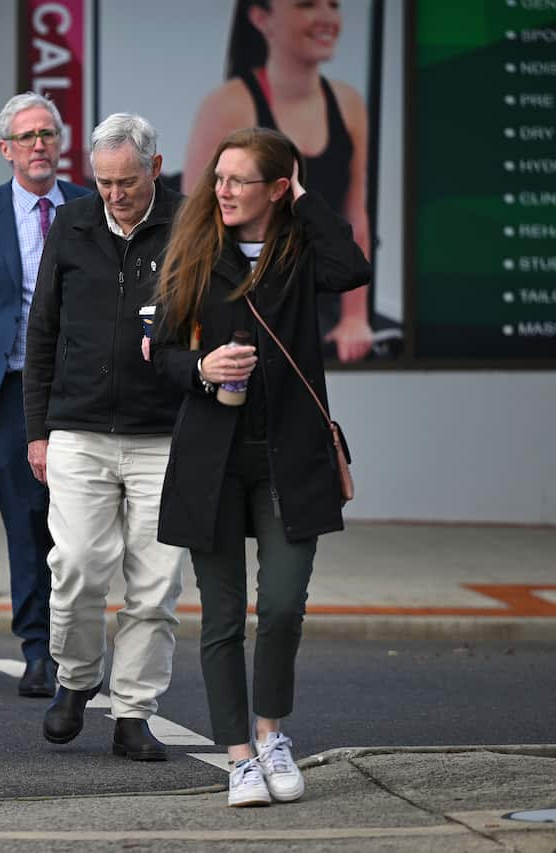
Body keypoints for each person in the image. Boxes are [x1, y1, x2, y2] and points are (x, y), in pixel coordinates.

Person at [152, 127, 370, 807]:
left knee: (280, 605)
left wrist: (303, 197)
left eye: (240, 180)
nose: (221, 190)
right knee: (220, 616)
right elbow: (156, 352)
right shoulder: (193, 249)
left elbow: (352, 268)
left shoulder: (302, 248)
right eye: (219, 178)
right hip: (210, 458)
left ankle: (273, 733)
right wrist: (201, 367)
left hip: (291, 456)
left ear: (276, 189)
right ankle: (240, 756)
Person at [23, 113, 187, 761]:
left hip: (165, 433)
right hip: (78, 426)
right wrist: (38, 429)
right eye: (103, 181)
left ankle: (133, 712)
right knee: (77, 566)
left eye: (127, 181)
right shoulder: (73, 222)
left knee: (156, 584)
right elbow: (42, 332)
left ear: (155, 166)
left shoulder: (191, 225)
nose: (115, 194)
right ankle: (75, 678)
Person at [0, 93, 91, 698]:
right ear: (7, 149)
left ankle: (76, 643)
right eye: (27, 136)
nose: (40, 145)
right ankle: (40, 650)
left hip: (81, 389)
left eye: (49, 134)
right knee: (29, 519)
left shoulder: (89, 207)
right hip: (5, 392)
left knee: (78, 525)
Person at [181, 0, 373, 363]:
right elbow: (194, 218)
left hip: (310, 284)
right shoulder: (226, 105)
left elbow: (356, 217)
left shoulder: (348, 104)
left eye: (334, 5)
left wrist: (355, 318)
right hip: (235, 290)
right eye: (307, 5)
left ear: (280, 187)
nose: (327, 18)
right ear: (260, 18)